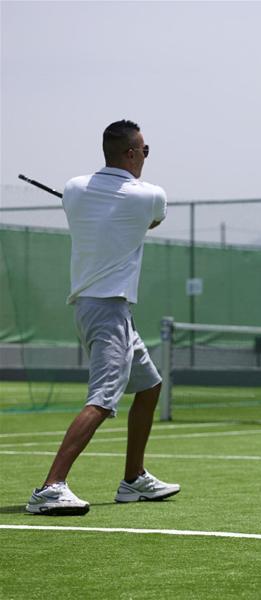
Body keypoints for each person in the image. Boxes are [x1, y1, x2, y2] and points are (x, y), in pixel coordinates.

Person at [26, 119, 180, 515]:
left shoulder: (75, 189)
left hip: (101, 309)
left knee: (149, 385)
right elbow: (154, 220)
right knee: (101, 400)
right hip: (107, 310)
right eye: (144, 150)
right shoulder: (150, 196)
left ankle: (134, 480)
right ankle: (50, 486)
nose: (146, 156)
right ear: (130, 153)